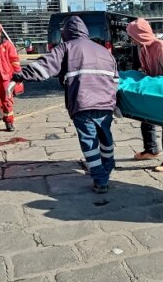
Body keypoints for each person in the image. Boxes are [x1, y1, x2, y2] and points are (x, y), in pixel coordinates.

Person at [15, 16, 118, 194]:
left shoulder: (66, 47)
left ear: (66, 33)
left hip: (82, 102)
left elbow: (45, 67)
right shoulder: (103, 51)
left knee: (89, 141)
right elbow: (116, 79)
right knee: (105, 136)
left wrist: (21, 75)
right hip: (106, 103)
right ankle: (108, 166)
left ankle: (100, 179)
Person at [127, 18, 163, 172]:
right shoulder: (142, 47)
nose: (130, 39)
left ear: (140, 35)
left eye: (131, 36)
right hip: (154, 91)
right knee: (146, 119)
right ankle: (151, 150)